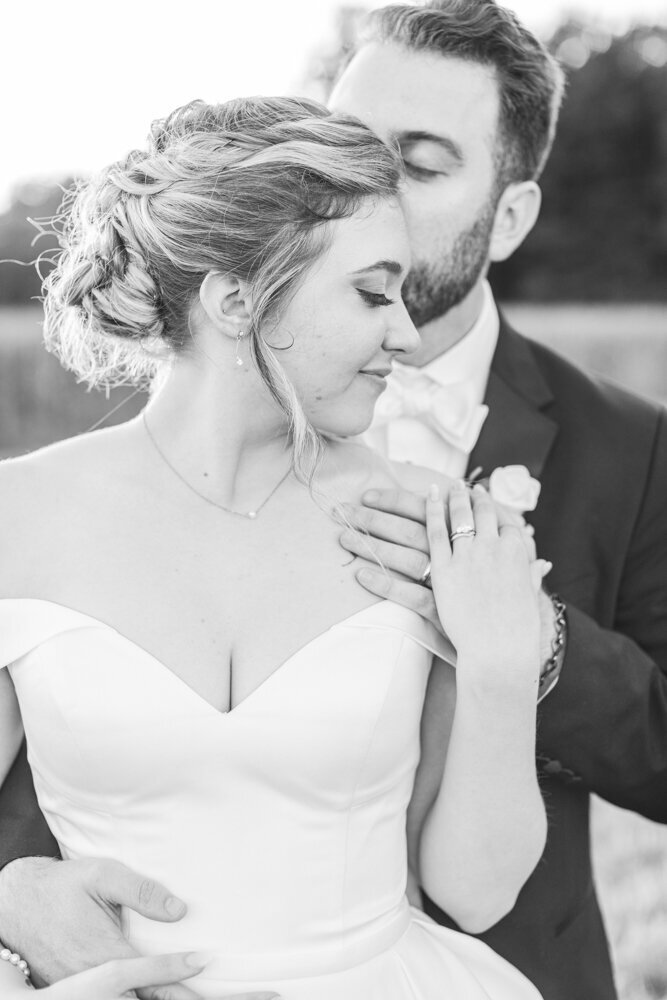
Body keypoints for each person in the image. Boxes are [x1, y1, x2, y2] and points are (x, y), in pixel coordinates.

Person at [0, 97, 550, 999]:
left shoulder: (428, 524)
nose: (404, 334)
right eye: (372, 292)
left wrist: (501, 665)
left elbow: (478, 894)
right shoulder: (17, 517)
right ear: (236, 299)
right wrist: (12, 916)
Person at [327, 3, 667, 1000]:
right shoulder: (212, 411)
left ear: (509, 217)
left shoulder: (631, 447)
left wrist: (530, 638)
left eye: (421, 165)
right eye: (347, 146)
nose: (362, 192)